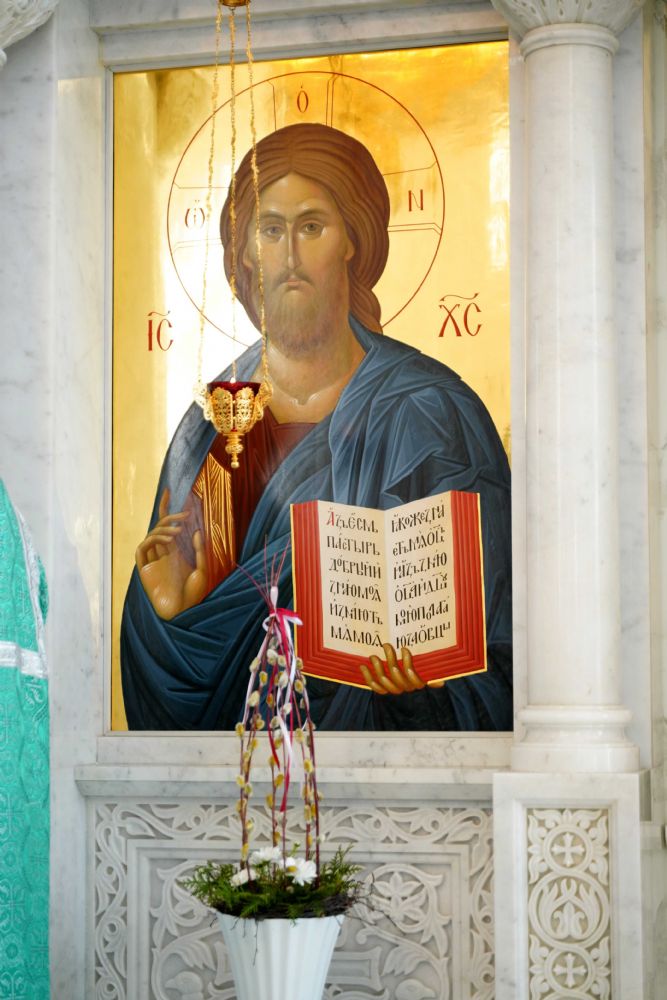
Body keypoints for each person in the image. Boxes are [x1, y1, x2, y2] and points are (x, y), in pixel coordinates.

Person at [121, 123, 512, 731]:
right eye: (270, 230)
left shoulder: (433, 412)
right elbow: (174, 671)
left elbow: (495, 637)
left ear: (353, 240)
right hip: (227, 774)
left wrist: (418, 694)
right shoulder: (210, 425)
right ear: (245, 252)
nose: (289, 258)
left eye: (311, 227)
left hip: (387, 768)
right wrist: (167, 618)